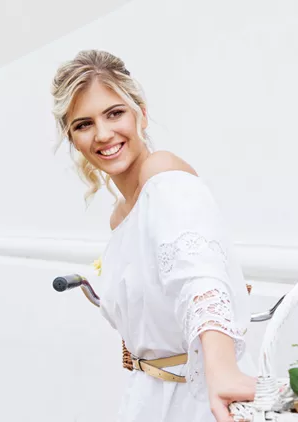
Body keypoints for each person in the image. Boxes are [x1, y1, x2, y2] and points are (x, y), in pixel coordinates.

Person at [50, 50, 256, 422]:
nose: (103, 134)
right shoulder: (120, 217)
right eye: (83, 124)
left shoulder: (163, 174)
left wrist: (222, 367)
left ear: (141, 113)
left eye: (115, 113)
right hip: (147, 396)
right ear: (73, 139)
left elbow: (198, 272)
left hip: (198, 396)